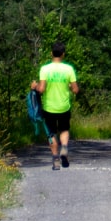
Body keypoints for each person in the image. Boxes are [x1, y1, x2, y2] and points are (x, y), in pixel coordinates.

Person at [31, 41, 79, 170]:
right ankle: (64, 149)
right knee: (64, 130)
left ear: (51, 53)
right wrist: (69, 86)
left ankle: (55, 159)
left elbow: (41, 89)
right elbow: (75, 90)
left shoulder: (45, 69)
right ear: (63, 54)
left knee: (51, 133)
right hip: (64, 106)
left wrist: (34, 86)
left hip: (49, 107)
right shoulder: (69, 69)